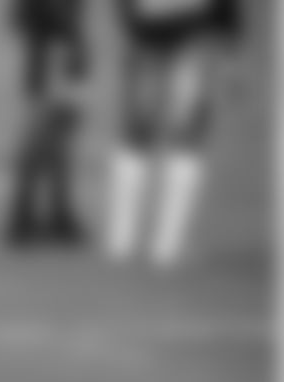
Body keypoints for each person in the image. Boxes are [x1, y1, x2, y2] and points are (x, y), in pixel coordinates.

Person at [102, 0, 245, 266]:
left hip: (151, 32)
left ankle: (125, 239)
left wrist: (130, 24)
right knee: (184, 135)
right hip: (191, 33)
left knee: (139, 131)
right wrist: (231, 48)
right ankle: (166, 245)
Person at [4, 0, 90, 249]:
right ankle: (25, 213)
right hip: (53, 37)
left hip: (49, 35)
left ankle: (55, 212)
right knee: (45, 122)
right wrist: (71, 36)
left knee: (58, 124)